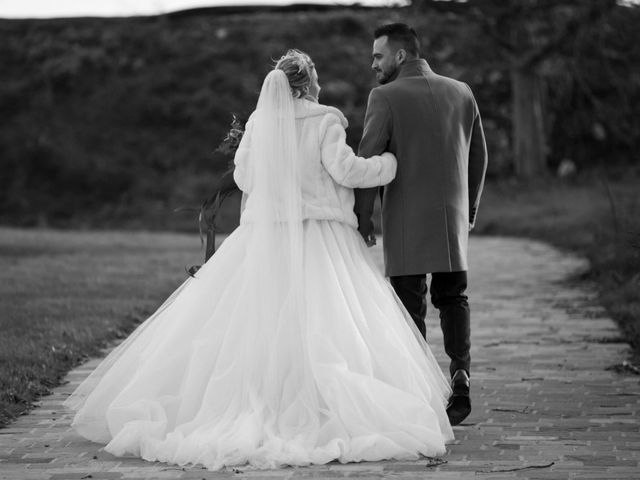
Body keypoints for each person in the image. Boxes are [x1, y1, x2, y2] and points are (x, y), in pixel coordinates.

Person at [64, 49, 454, 471]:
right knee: (324, 322)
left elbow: (245, 177)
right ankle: (317, 406)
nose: (320, 82)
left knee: (257, 323)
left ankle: (251, 402)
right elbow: (347, 171)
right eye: (317, 75)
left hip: (263, 237)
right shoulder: (326, 119)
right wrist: (389, 164)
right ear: (307, 83)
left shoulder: (258, 123)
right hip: (318, 236)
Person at [354, 24, 488, 427]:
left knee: (408, 311)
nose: (373, 64)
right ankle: (460, 371)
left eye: (378, 56)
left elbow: (367, 160)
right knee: (454, 298)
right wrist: (470, 210)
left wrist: (362, 219)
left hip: (405, 227)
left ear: (400, 56)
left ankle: (419, 393)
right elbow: (479, 157)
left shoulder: (385, 96)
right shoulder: (461, 91)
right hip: (451, 223)